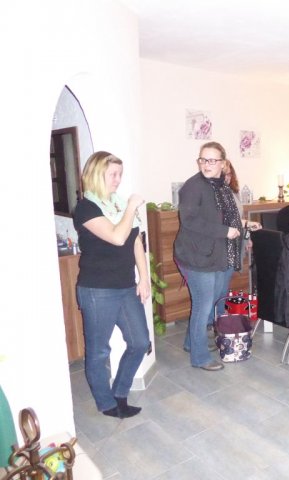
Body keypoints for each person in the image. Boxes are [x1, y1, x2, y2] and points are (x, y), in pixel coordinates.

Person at [74, 151, 150, 418]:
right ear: (97, 175)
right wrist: (131, 208)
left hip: (126, 286)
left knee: (140, 342)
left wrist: (144, 278)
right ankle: (106, 404)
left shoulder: (116, 204)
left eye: (120, 174)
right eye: (113, 174)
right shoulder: (87, 208)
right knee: (98, 352)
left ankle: (120, 392)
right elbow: (118, 237)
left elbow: (135, 241)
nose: (118, 179)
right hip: (98, 290)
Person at [174, 141, 242, 371]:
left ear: (223, 163)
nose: (206, 164)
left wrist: (237, 228)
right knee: (203, 305)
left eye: (212, 160)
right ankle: (200, 357)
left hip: (212, 253)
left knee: (209, 301)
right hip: (194, 256)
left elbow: (223, 216)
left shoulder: (220, 186)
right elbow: (190, 221)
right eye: (203, 159)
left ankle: (191, 343)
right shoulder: (194, 186)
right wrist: (224, 231)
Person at [207, 160, 261, 331]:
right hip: (221, 247)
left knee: (223, 287)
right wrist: (247, 224)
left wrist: (247, 237)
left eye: (229, 174)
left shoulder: (232, 192)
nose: (227, 177)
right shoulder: (214, 195)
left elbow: (238, 219)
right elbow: (226, 222)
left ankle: (218, 321)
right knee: (218, 288)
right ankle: (212, 321)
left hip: (234, 246)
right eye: (224, 174)